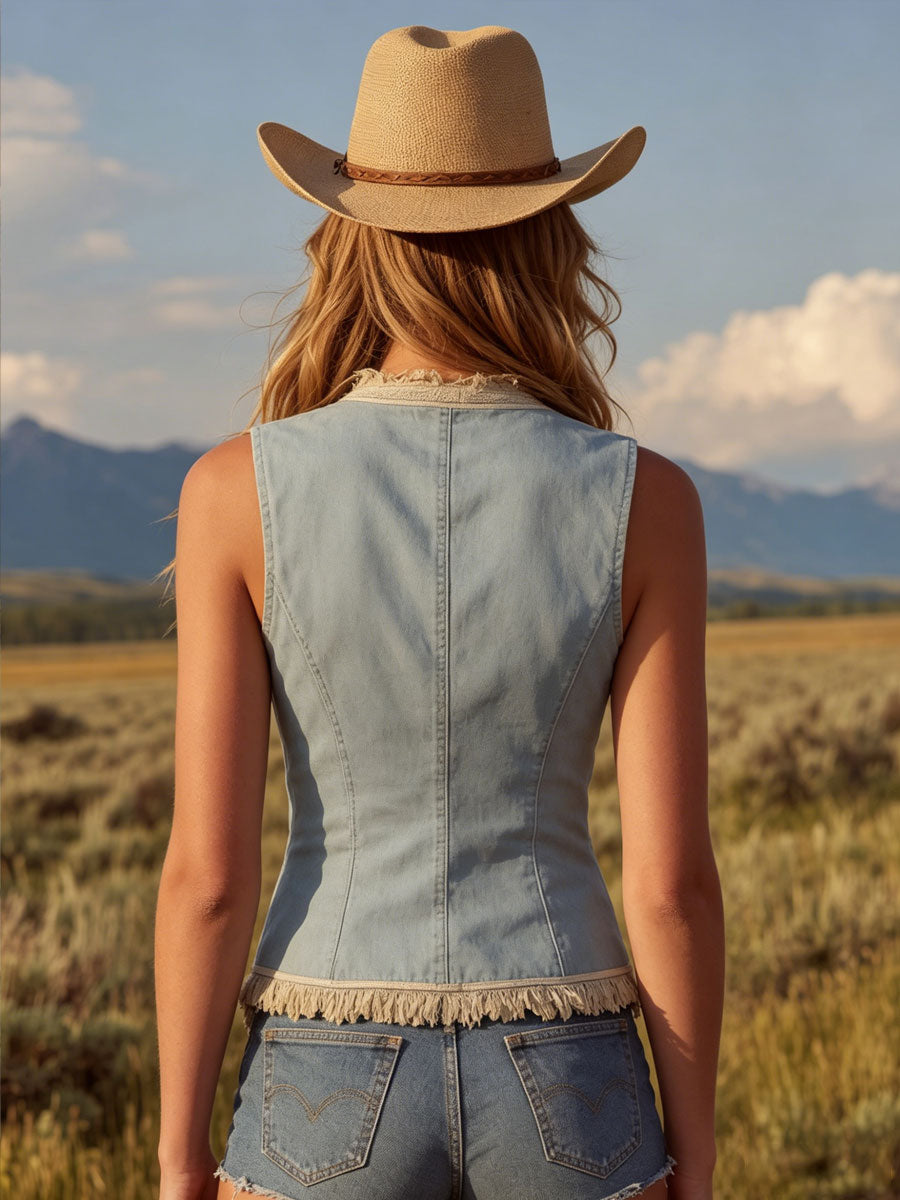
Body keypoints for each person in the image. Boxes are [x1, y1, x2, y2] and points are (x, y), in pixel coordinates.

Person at [154, 24, 724, 1200]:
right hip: (570, 1060)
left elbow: (207, 879)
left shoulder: (234, 492)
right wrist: (696, 1152)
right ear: (551, 235)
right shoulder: (646, 499)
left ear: (349, 237)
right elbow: (672, 885)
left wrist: (176, 1157)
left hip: (323, 1054)